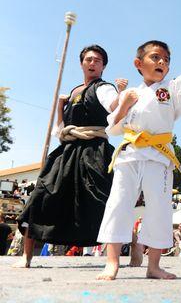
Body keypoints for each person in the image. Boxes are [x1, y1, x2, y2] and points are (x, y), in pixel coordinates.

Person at [96, 40, 181, 280]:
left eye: (166, 60)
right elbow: (113, 127)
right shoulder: (130, 93)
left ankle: (154, 265)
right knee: (118, 203)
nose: (162, 63)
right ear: (139, 64)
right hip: (130, 153)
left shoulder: (168, 88)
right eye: (156, 57)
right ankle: (112, 262)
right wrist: (124, 105)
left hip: (159, 155)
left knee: (159, 208)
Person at [15, 45, 125, 268]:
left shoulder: (104, 88)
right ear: (82, 63)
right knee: (41, 197)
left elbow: (115, 109)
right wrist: (59, 107)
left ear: (103, 66)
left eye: (97, 60)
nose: (92, 63)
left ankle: (126, 255)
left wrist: (122, 93)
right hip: (67, 152)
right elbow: (60, 130)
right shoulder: (73, 92)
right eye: (88, 59)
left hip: (95, 152)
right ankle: (26, 257)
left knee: (104, 201)